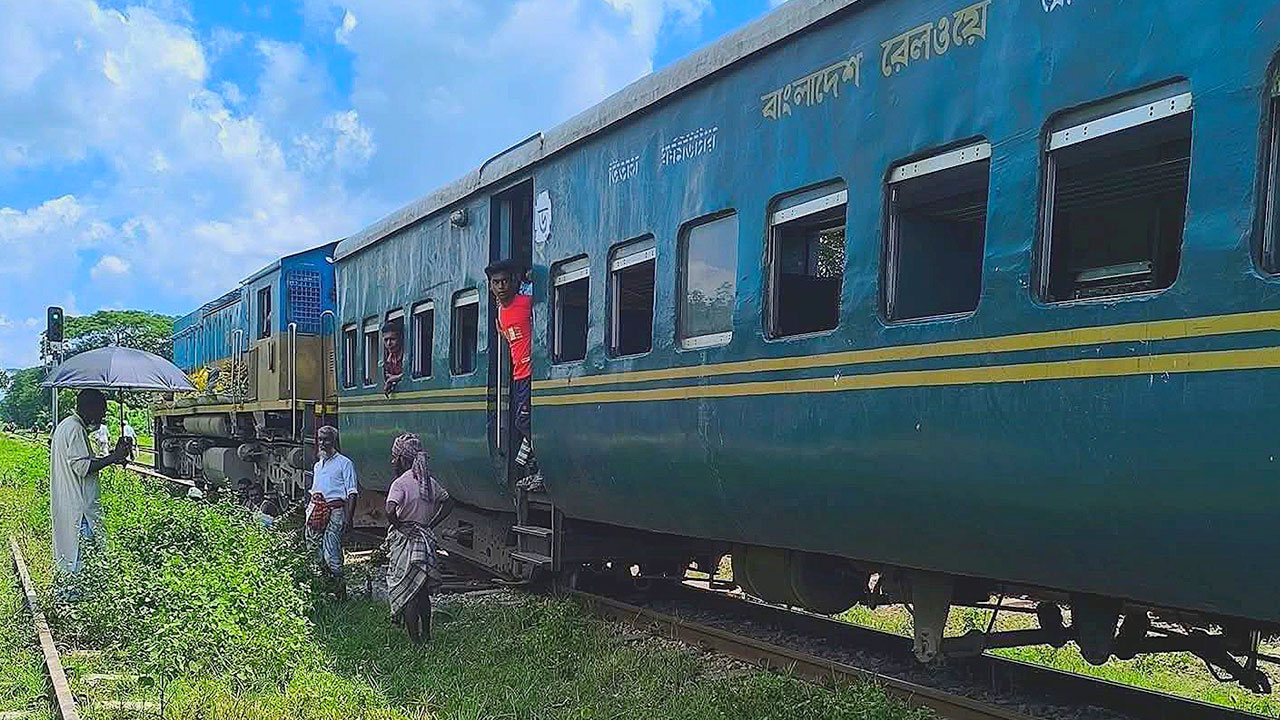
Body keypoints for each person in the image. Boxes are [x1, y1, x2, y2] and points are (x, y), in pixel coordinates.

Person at [50, 390, 130, 574]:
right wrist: (113, 457)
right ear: (90, 409)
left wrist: (114, 457)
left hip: (70, 503)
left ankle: (69, 587)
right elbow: (82, 467)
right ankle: (78, 590)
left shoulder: (66, 425)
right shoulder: (76, 429)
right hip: (80, 510)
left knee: (70, 557)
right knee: (83, 560)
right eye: (101, 410)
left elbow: (81, 461)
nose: (102, 416)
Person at [385, 433, 452, 644]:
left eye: (395, 457)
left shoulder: (400, 483)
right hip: (425, 539)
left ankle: (415, 641)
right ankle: (427, 634)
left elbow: (389, 510)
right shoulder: (429, 482)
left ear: (402, 459)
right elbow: (448, 502)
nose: (393, 462)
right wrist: (430, 523)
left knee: (408, 592)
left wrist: (399, 526)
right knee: (422, 591)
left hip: (406, 541)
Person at [485, 259, 544, 492]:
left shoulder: (527, 303)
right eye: (496, 282)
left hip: (532, 373)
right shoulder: (499, 313)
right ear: (490, 286)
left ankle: (541, 467)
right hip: (519, 375)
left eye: (504, 281)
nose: (501, 286)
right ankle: (534, 464)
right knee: (522, 421)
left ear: (513, 282)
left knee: (524, 421)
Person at [306, 425, 358, 594]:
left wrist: (348, 518)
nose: (322, 443)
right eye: (320, 439)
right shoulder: (318, 466)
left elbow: (352, 492)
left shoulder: (345, 463)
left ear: (333, 441)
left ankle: (340, 593)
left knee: (332, 555)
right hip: (317, 511)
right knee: (315, 552)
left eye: (326, 440)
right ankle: (324, 590)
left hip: (335, 511)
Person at [382, 318, 405, 396]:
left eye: (392, 339)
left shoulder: (406, 355)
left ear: (400, 338)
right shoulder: (388, 360)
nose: (389, 343)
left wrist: (396, 378)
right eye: (386, 340)